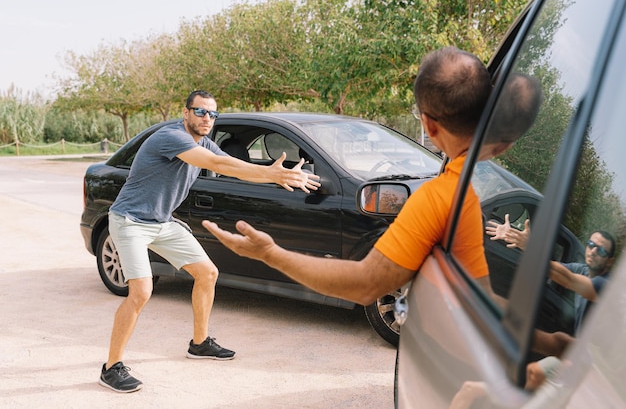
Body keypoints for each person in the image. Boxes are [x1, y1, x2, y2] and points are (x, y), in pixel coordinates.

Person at [202, 46, 498, 311]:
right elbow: (483, 300)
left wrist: (271, 253)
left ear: (428, 126)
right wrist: (546, 340)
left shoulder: (442, 193)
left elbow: (367, 283)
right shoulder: (490, 176)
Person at [99, 90, 320, 393]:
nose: (207, 119)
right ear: (186, 112)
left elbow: (231, 165)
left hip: (162, 222)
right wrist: (270, 173)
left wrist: (276, 176)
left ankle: (199, 343)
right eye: (200, 112)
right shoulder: (172, 137)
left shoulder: (204, 141)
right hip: (130, 221)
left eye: (212, 114)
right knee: (141, 292)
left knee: (208, 272)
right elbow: (219, 165)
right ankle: (111, 367)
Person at [487, 218, 615, 332]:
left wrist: (530, 247)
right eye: (591, 244)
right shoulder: (582, 270)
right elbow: (551, 267)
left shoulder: (605, 285)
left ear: (609, 261)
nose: (593, 251)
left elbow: (567, 279)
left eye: (602, 251)